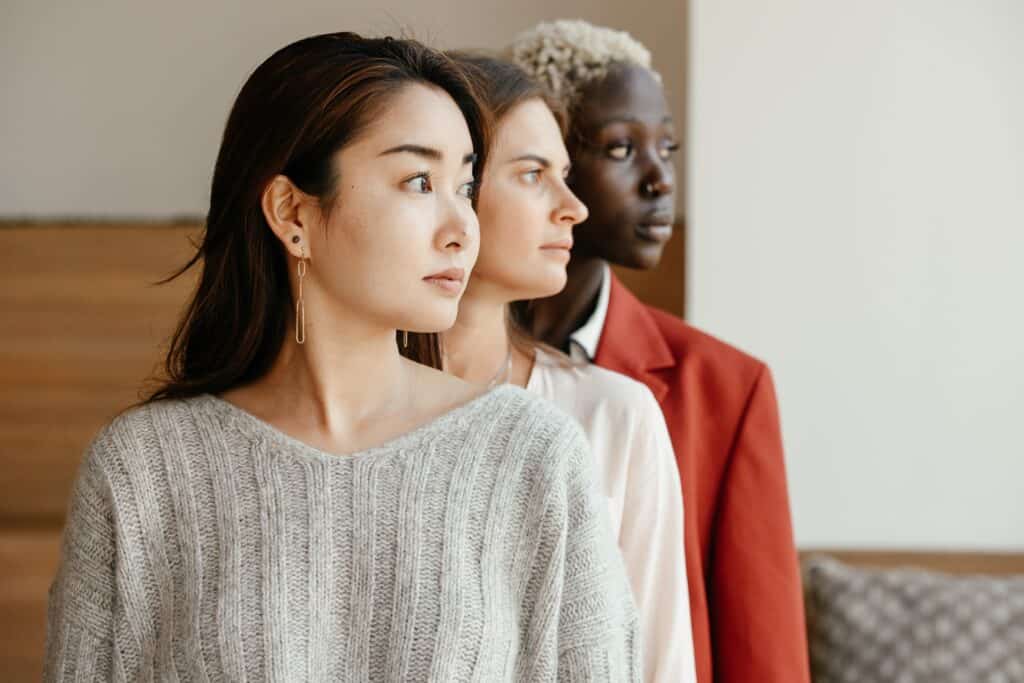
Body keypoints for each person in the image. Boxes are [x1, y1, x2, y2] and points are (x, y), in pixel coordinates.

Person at [44, 32, 639, 681]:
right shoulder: (143, 472)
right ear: (292, 211)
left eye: (464, 185)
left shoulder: (534, 456)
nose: (462, 226)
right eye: (418, 180)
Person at [511, 20, 811, 683]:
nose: (660, 181)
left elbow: (765, 655)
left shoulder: (726, 388)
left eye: (667, 148)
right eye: (621, 149)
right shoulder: (422, 365)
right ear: (540, 163)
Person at [445, 53, 696, 683]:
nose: (573, 207)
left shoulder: (617, 414)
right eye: (533, 174)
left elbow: (662, 666)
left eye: (564, 172)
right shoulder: (342, 416)